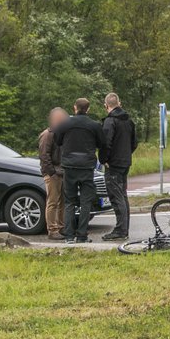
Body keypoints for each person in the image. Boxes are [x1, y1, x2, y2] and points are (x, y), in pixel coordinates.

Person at [48, 97, 105, 243]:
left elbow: (57, 140)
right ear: (88, 109)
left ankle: (68, 235)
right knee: (86, 202)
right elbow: (102, 143)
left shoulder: (65, 124)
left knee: (69, 202)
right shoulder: (94, 125)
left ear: (75, 108)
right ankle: (82, 235)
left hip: (69, 167)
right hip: (86, 167)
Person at [100, 92, 137, 240]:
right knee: (123, 195)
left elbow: (105, 144)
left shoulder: (110, 122)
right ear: (119, 103)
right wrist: (126, 154)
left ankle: (120, 230)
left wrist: (104, 160)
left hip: (113, 164)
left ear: (106, 106)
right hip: (125, 162)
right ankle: (124, 228)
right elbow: (134, 143)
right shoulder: (129, 121)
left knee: (116, 196)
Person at [37, 106, 68, 241]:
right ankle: (52, 229)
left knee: (62, 202)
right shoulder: (47, 135)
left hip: (62, 171)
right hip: (53, 173)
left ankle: (61, 227)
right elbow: (44, 156)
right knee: (53, 202)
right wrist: (52, 172)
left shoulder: (62, 134)